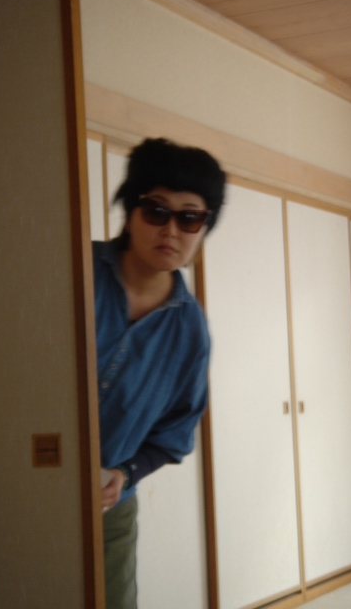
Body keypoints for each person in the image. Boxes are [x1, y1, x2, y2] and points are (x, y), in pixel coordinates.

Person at [93, 137, 227, 609]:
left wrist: (124, 473)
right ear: (130, 211)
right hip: (15, 483)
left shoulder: (190, 331)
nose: (171, 230)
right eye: (156, 210)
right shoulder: (71, 269)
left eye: (189, 218)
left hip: (107, 509)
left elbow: (174, 433)